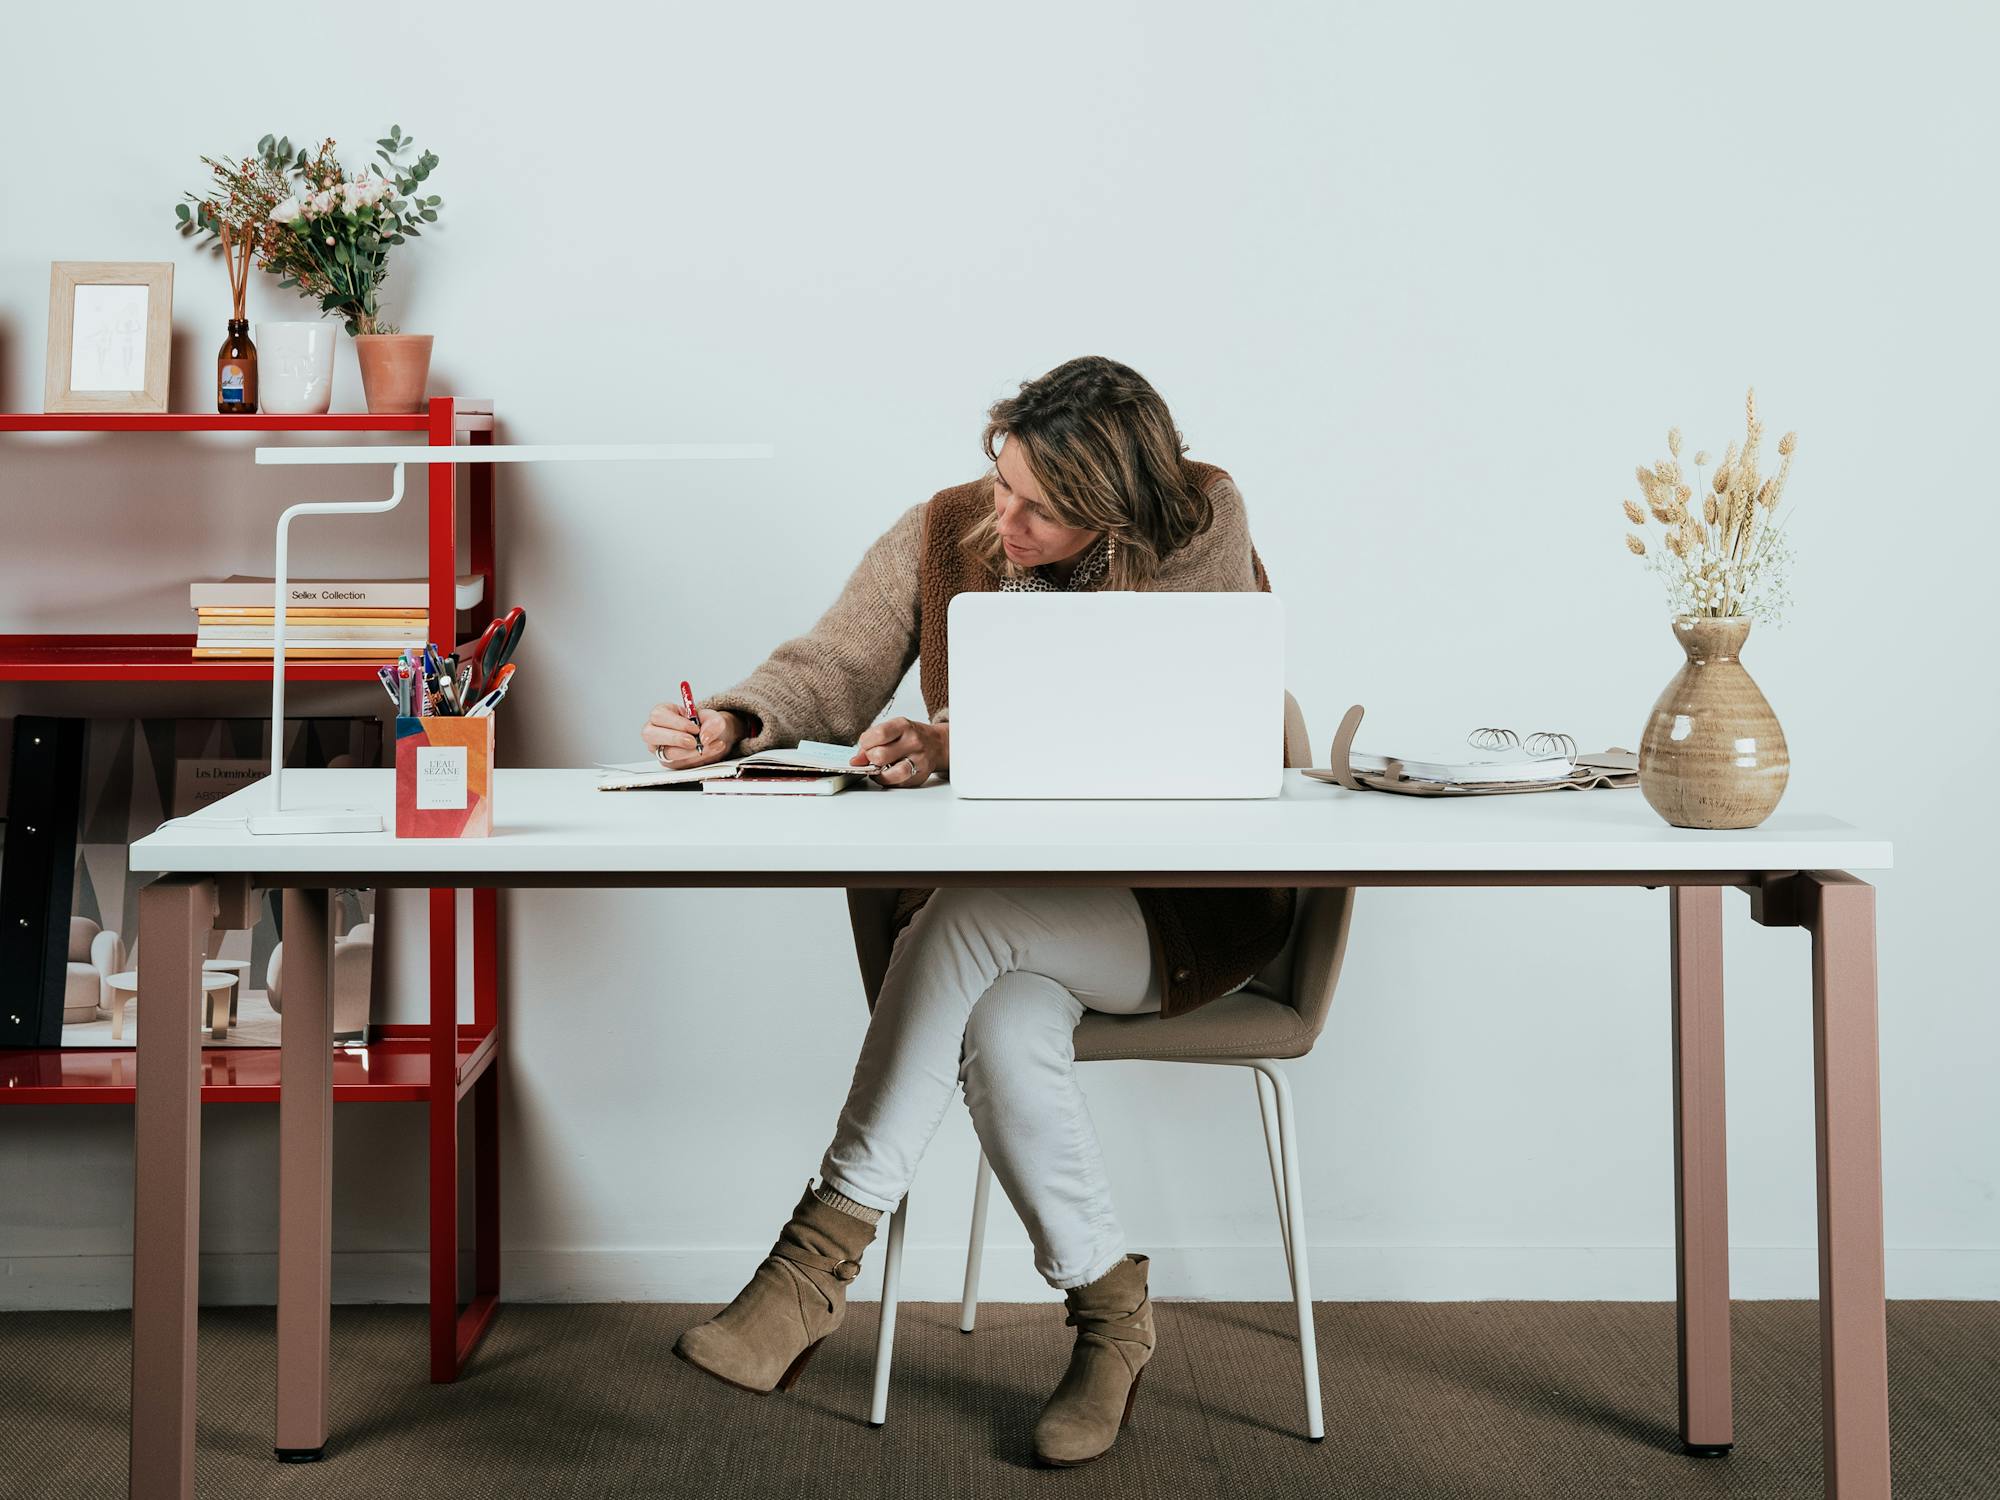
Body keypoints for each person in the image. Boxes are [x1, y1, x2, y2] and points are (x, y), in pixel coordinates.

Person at [644, 355, 1292, 1467]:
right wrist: (742, 721)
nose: (1006, 519)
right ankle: (1111, 1320)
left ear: (1115, 503)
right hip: (1015, 917)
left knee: (963, 916)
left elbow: (1135, 717)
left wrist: (948, 741)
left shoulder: (1199, 522)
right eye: (1000, 483)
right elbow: (832, 665)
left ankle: (811, 1269)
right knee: (998, 1013)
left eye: (1040, 508)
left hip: (1170, 911)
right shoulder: (945, 529)